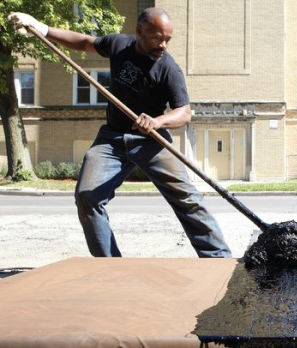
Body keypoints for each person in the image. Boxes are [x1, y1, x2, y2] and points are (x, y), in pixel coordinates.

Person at [9, 8, 232, 258]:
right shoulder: (118, 45)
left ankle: (218, 258)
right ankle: (109, 264)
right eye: (158, 37)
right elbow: (84, 42)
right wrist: (43, 29)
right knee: (87, 197)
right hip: (112, 139)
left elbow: (184, 112)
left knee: (188, 199)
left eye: (168, 38)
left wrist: (158, 121)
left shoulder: (169, 69)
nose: (163, 44)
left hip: (151, 140)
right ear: (139, 31)